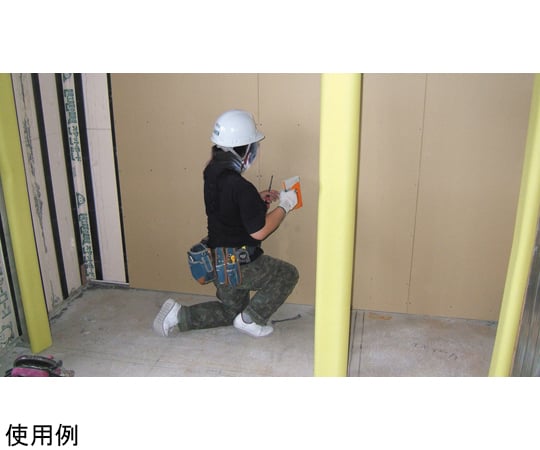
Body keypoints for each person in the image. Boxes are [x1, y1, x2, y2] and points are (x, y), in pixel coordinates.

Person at [153, 109, 299, 338]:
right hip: (240, 264)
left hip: (218, 262)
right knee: (288, 274)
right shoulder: (240, 187)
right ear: (246, 148)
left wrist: (255, 200)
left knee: (231, 311)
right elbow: (259, 232)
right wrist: (285, 206)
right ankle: (252, 320)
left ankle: (178, 315)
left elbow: (228, 206)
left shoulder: (211, 172)